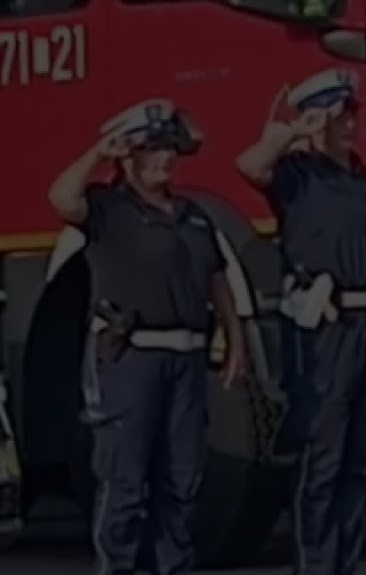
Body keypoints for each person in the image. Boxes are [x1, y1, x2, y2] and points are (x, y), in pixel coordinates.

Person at [49, 99, 246, 575]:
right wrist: (100, 150)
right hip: (129, 363)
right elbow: (60, 197)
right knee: (125, 484)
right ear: (129, 157)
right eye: (152, 149)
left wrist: (236, 341)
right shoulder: (106, 209)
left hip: (185, 363)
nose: (165, 159)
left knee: (181, 483)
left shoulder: (192, 215)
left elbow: (217, 278)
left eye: (169, 149)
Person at [235, 69, 366, 575]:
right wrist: (292, 132)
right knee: (322, 458)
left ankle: (342, 564)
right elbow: (249, 165)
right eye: (335, 117)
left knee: (360, 457)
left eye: (350, 115)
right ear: (314, 121)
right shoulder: (296, 176)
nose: (348, 125)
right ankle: (316, 566)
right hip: (327, 331)